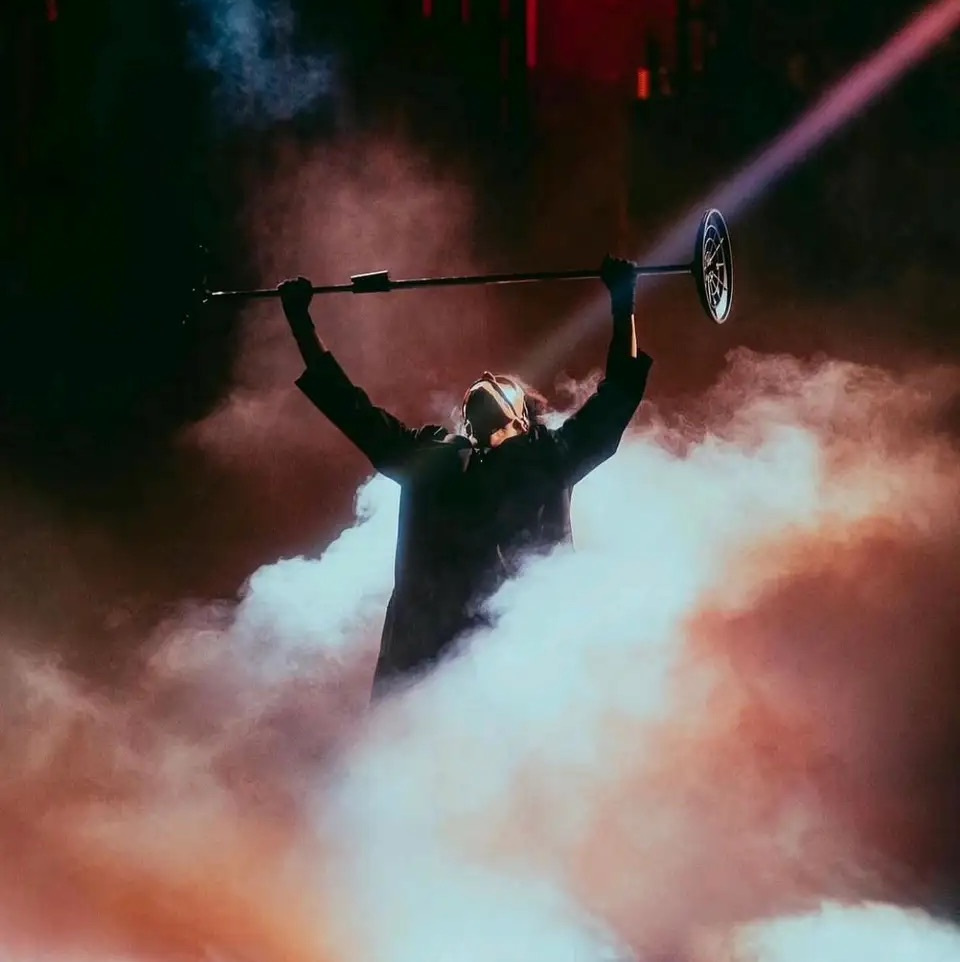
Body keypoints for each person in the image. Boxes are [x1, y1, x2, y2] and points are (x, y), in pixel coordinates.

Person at [279, 258, 652, 697]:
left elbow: (619, 393)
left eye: (500, 382)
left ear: (524, 417)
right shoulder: (429, 458)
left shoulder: (551, 455)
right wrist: (300, 322)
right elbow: (349, 407)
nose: (486, 375)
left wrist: (624, 303)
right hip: (418, 676)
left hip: (520, 674)